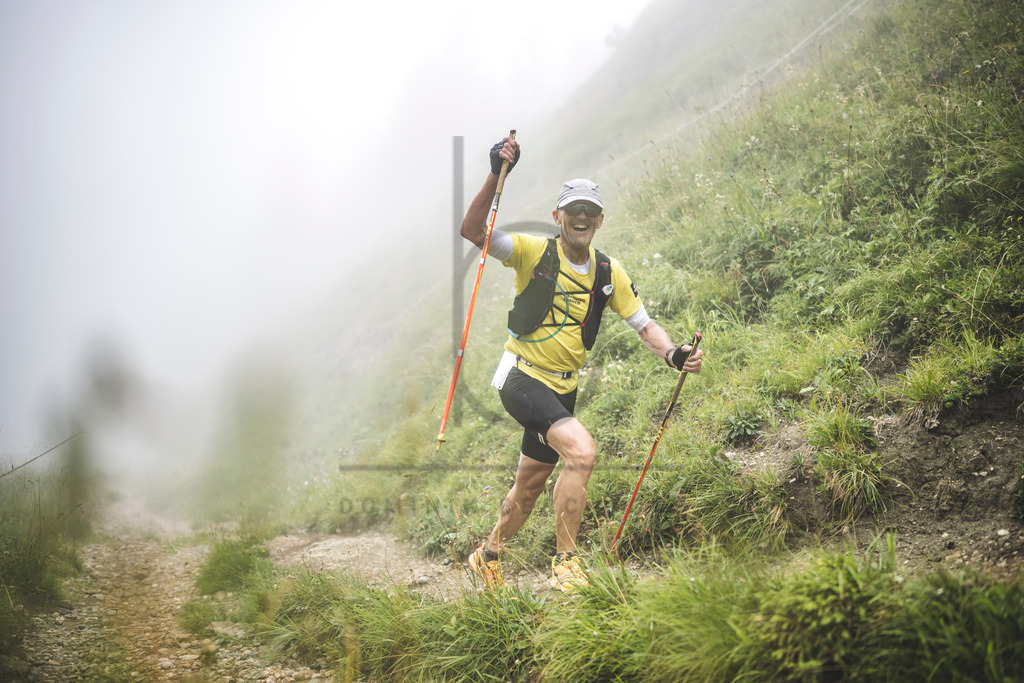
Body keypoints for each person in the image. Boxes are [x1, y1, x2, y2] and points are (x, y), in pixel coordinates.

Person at [461, 135, 703, 593]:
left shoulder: (610, 273)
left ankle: (487, 556)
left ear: (600, 220)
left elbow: (645, 325)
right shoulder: (532, 252)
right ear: (558, 217)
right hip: (521, 377)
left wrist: (673, 353)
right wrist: (496, 173)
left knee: (529, 486)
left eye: (590, 211)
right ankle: (567, 565)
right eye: (573, 209)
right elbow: (474, 232)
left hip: (562, 386)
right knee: (583, 453)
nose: (582, 217)